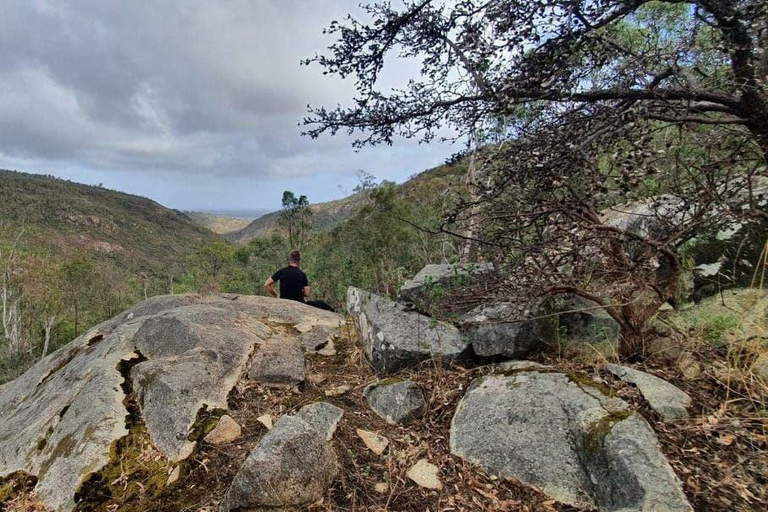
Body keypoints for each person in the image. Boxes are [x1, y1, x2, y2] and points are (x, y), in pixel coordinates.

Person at [265, 250, 335, 311]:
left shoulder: (282, 271)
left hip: (284, 301)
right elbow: (307, 293)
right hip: (299, 303)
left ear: (289, 259)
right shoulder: (302, 274)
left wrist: (277, 295)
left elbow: (267, 284)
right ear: (299, 260)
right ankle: (334, 312)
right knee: (321, 304)